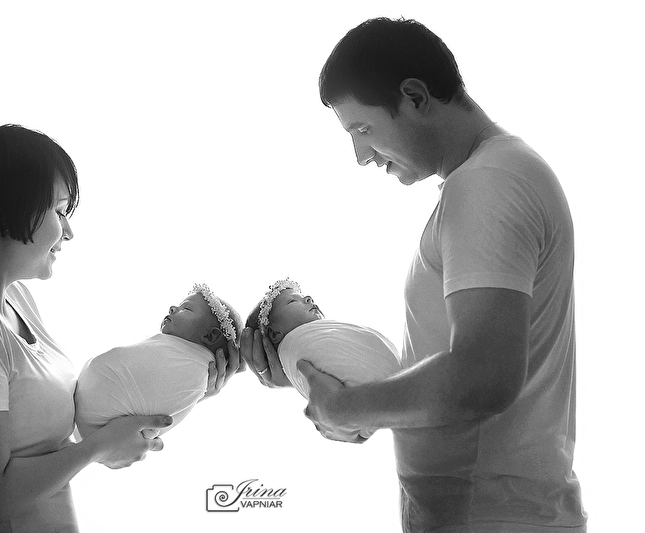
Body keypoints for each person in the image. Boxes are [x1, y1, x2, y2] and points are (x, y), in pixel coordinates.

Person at [241, 17, 587, 532]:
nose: (360, 156)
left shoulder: (487, 184)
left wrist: (346, 408)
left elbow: (482, 378)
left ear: (415, 97)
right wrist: (313, 377)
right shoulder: (494, 176)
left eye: (362, 129)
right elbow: (453, 375)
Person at [0, 124, 238, 532]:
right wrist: (98, 448)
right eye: (60, 211)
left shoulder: (12, 299)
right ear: (13, 207)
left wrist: (183, 389)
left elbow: (39, 440)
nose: (69, 231)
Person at [75, 283, 243, 443]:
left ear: (210, 336)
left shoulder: (193, 370)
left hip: (96, 420)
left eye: (186, 309)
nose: (172, 308)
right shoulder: (172, 351)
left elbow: (161, 415)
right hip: (89, 419)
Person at [245, 278, 400, 400]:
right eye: (292, 301)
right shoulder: (293, 347)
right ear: (274, 334)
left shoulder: (328, 332)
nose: (308, 298)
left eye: (304, 296)